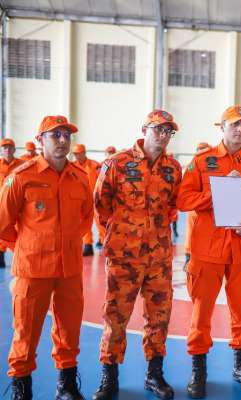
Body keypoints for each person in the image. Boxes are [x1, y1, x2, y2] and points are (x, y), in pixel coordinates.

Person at [177, 105, 241, 398]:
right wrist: (216, 192)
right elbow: (184, 199)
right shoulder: (203, 161)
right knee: (201, 314)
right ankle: (198, 369)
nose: (239, 130)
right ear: (223, 127)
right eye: (234, 125)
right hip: (207, 251)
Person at [0, 115, 92, 400]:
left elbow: (86, 219)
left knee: (69, 330)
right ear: (40, 140)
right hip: (32, 270)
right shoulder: (23, 176)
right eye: (55, 135)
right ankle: (21, 388)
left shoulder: (80, 177)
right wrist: (28, 246)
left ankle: (66, 385)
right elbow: (2, 224)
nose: (63, 140)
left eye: (66, 135)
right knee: (25, 332)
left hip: (69, 270)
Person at [92, 110, 182, 400]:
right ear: (145, 129)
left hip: (159, 257)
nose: (163, 136)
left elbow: (172, 207)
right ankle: (109, 377)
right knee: (116, 316)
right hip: (124, 256)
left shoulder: (173, 168)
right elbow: (100, 203)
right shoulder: (117, 163)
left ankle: (153, 375)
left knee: (159, 316)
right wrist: (120, 233)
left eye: (169, 131)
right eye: (158, 129)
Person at [72, 143, 101, 256]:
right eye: (75, 154)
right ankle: (88, 245)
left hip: (96, 198)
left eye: (79, 153)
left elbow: (103, 181)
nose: (77, 156)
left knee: (100, 222)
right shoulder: (72, 166)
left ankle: (104, 242)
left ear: (84, 153)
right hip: (81, 199)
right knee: (84, 222)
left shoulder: (95, 165)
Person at [0, 138, 24, 268]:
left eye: (10, 147)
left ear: (14, 150)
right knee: (2, 229)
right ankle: (1, 255)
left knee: (18, 231)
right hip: (1, 204)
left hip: (17, 204)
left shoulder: (23, 165)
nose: (7, 150)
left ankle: (20, 255)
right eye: (4, 148)